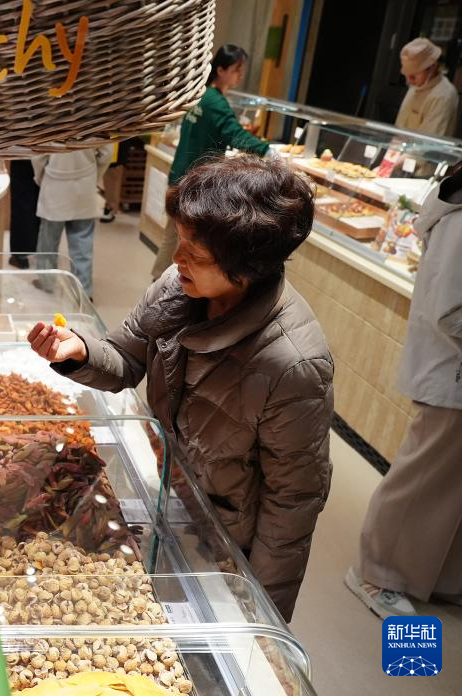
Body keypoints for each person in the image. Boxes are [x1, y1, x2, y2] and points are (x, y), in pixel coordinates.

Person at [28, 158, 333, 621]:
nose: (176, 259)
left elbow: (291, 505)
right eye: (180, 239)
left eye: (197, 253)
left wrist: (262, 614)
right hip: (177, 491)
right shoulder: (178, 287)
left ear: (246, 267)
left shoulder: (293, 364)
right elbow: (126, 356)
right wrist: (81, 352)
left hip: (233, 533)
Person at [346, 167, 462, 618]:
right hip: (450, 372)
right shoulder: (458, 221)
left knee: (450, 487)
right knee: (419, 480)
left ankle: (437, 576)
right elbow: (449, 311)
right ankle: (376, 573)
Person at [152, 44, 271, 279]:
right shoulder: (215, 102)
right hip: (194, 181)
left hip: (182, 175)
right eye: (236, 69)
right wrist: (266, 151)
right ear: (221, 70)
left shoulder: (202, 95)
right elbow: (235, 134)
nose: (240, 75)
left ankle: (160, 281)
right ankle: (163, 284)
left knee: (174, 235)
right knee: (182, 239)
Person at [32, 144, 114, 299]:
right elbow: (107, 152)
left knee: (48, 242)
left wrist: (40, 177)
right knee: (83, 242)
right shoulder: (95, 125)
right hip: (85, 182)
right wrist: (95, 175)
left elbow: (38, 155)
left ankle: (46, 282)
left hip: (54, 182)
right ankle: (83, 291)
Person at [395, 37, 459, 138]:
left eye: (413, 76)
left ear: (432, 67)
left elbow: (428, 142)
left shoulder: (444, 95)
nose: (409, 81)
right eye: (406, 75)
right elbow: (399, 126)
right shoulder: (416, 85)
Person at [8, 159, 40, 268]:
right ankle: (36, 250)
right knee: (36, 203)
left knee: (21, 207)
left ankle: (20, 256)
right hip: (40, 156)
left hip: (21, 157)